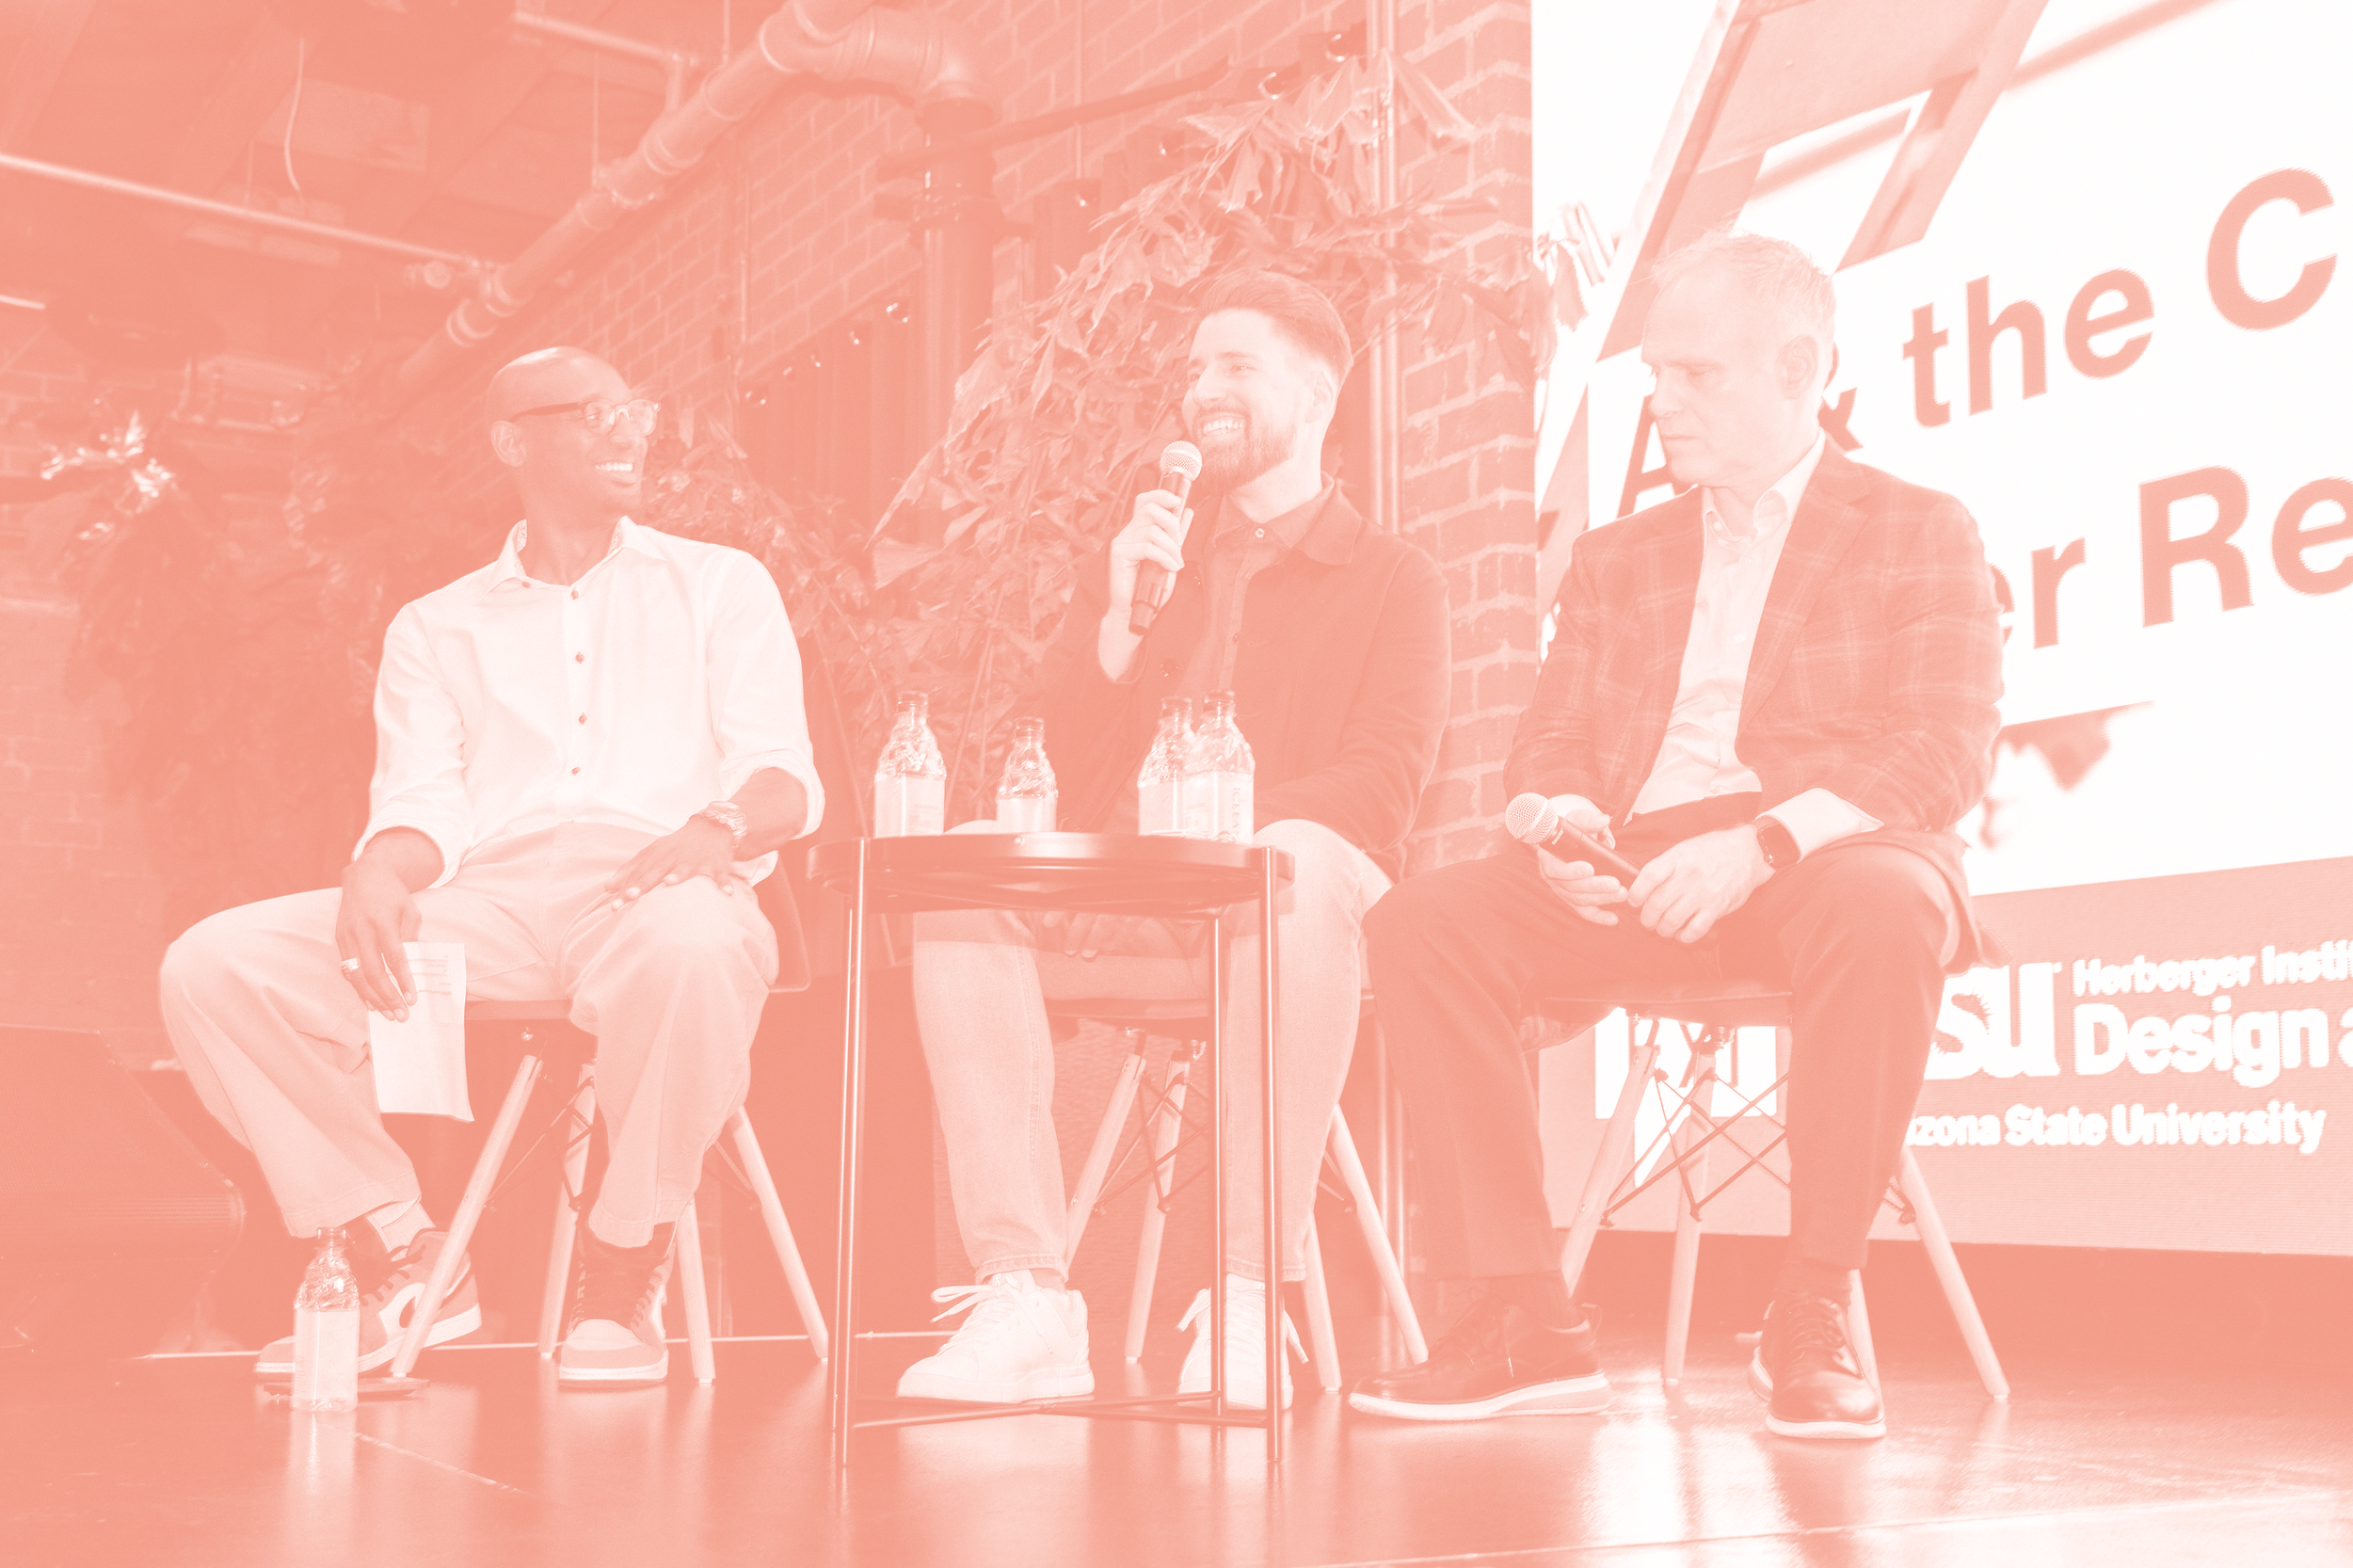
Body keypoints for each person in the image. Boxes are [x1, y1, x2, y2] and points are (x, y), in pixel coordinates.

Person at [1350, 232, 2003, 1440]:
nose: (1663, 400)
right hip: (1629, 858)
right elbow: (1545, 745)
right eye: (1657, 373)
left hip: (1817, 858)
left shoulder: (1917, 527)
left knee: (1887, 902)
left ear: (1799, 367)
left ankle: (1812, 1303)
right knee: (1422, 919)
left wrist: (1762, 843)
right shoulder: (1615, 559)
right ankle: (1521, 1314)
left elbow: (1941, 747)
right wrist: (1563, 825)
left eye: (1696, 374)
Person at [159, 347, 824, 1390]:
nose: (631, 431)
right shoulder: (436, 624)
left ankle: (622, 1262)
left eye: (636, 411)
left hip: (658, 882)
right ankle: (405, 1252)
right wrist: (381, 865)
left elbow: (784, 774)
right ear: (514, 441)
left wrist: (720, 825)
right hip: (489, 906)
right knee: (216, 964)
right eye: (597, 412)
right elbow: (424, 801)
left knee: (693, 942)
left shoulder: (717, 585)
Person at [898, 271, 1450, 1410]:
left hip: (1279, 911)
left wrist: (1212, 834)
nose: (1202, 390)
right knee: (959, 865)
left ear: (1318, 391)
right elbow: (1044, 765)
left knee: (1293, 849)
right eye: (1195, 369)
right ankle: (1025, 1293)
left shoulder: (1395, 580)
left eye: (1235, 366)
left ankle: (1250, 1292)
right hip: (1135, 902)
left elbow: (1383, 790)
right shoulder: (1157, 572)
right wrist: (1115, 623)